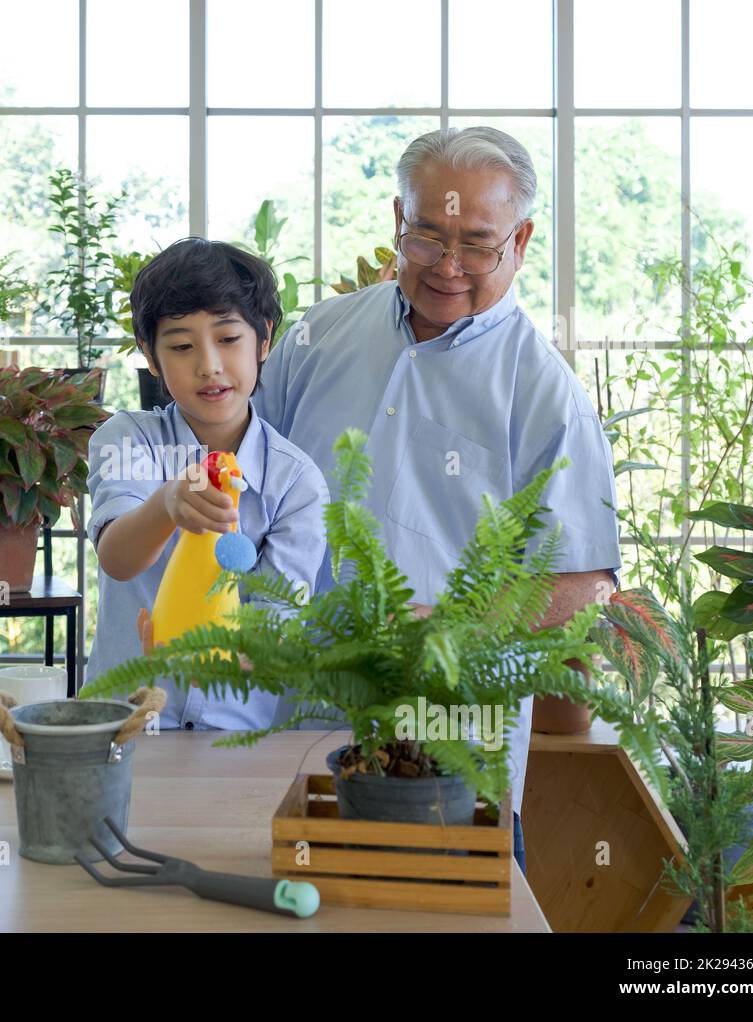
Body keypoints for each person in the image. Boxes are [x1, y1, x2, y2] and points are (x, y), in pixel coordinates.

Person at [255, 126, 623, 874]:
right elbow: (247, 487)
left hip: (449, 755)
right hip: (287, 730)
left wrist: (450, 622)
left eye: (478, 245)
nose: (448, 266)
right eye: (427, 236)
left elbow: (586, 582)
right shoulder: (318, 339)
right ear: (398, 219)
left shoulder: (543, 393)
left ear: (520, 241)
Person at [85, 238, 329, 731]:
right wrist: (167, 504)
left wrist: (226, 651)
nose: (209, 365)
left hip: (238, 739)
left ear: (264, 341)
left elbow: (277, 623)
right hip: (123, 726)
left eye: (229, 339)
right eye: (181, 346)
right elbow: (117, 558)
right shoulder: (128, 440)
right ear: (151, 359)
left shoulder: (297, 482)